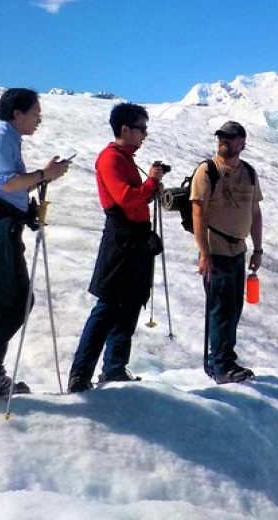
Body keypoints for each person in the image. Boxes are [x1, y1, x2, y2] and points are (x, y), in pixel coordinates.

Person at [0, 88, 70, 397]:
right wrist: (44, 174)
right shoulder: (0, 138)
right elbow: (5, 182)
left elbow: (9, 186)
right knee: (11, 298)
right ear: (17, 113)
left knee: (11, 298)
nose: (39, 119)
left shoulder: (9, 139)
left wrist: (37, 186)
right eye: (35, 113)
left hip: (2, 223)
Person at [67, 103, 164, 393]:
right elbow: (126, 198)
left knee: (131, 303)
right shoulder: (110, 159)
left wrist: (149, 186)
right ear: (125, 129)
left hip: (132, 239)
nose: (144, 135)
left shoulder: (123, 158)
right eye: (141, 128)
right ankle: (81, 373)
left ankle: (114, 367)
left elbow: (133, 198)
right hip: (121, 239)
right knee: (109, 305)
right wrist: (151, 183)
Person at [191, 120, 262, 383]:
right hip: (216, 251)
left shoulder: (249, 172)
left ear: (242, 143)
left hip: (238, 251)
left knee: (233, 308)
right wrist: (204, 253)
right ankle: (221, 365)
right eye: (221, 137)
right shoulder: (207, 170)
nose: (224, 141)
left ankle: (223, 360)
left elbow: (254, 212)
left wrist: (258, 249)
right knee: (221, 308)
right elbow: (198, 211)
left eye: (230, 138)